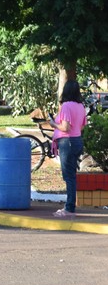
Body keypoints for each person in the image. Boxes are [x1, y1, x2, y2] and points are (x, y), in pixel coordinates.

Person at [49, 79, 87, 218]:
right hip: (77, 141)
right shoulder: (80, 106)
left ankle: (69, 208)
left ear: (65, 91)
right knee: (72, 175)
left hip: (67, 142)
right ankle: (70, 205)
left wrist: (53, 124)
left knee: (69, 176)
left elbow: (65, 127)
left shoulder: (66, 106)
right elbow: (81, 126)